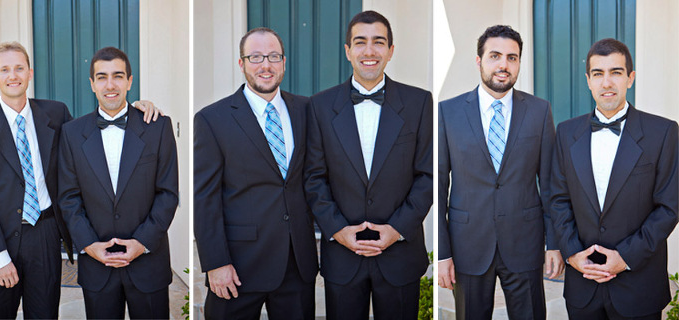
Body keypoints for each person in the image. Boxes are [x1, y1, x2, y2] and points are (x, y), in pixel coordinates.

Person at [0, 41, 161, 319]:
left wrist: (136, 109)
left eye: (19, 68)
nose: (13, 75)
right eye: (5, 70)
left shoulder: (55, 114)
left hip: (46, 233)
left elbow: (92, 136)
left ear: (30, 73)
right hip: (0, 238)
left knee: (44, 314)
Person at [304, 10, 433, 320]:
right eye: (360, 42)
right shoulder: (319, 106)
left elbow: (428, 176)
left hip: (400, 255)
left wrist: (396, 229)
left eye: (379, 42)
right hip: (343, 257)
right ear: (348, 51)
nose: (369, 51)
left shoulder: (419, 103)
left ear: (391, 50)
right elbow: (313, 178)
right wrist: (337, 230)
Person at [436, 25, 564, 319]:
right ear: (479, 60)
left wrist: (553, 244)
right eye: (495, 56)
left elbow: (550, 183)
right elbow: (439, 186)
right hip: (468, 244)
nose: (503, 65)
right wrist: (443, 253)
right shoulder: (448, 112)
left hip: (525, 243)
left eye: (512, 57)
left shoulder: (539, 111)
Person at [194, 27, 318, 319]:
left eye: (274, 56)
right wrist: (215, 263)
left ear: (284, 62)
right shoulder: (213, 119)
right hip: (238, 267)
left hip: (296, 264)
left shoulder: (306, 110)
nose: (266, 65)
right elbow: (206, 198)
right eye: (256, 57)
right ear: (242, 64)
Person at [550, 38, 678, 319]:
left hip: (638, 286)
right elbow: (557, 199)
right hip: (583, 287)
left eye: (616, 72)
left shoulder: (664, 132)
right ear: (588, 80)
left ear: (630, 78)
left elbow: (669, 207)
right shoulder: (566, 132)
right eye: (598, 74)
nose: (606, 83)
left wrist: (626, 258)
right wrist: (572, 254)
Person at [58, 46, 178, 319]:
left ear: (130, 81)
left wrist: (141, 242)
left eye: (118, 76)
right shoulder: (72, 133)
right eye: (101, 77)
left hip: (149, 263)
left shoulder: (158, 126)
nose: (110, 85)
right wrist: (89, 245)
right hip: (97, 267)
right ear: (91, 84)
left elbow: (168, 194)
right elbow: (68, 198)